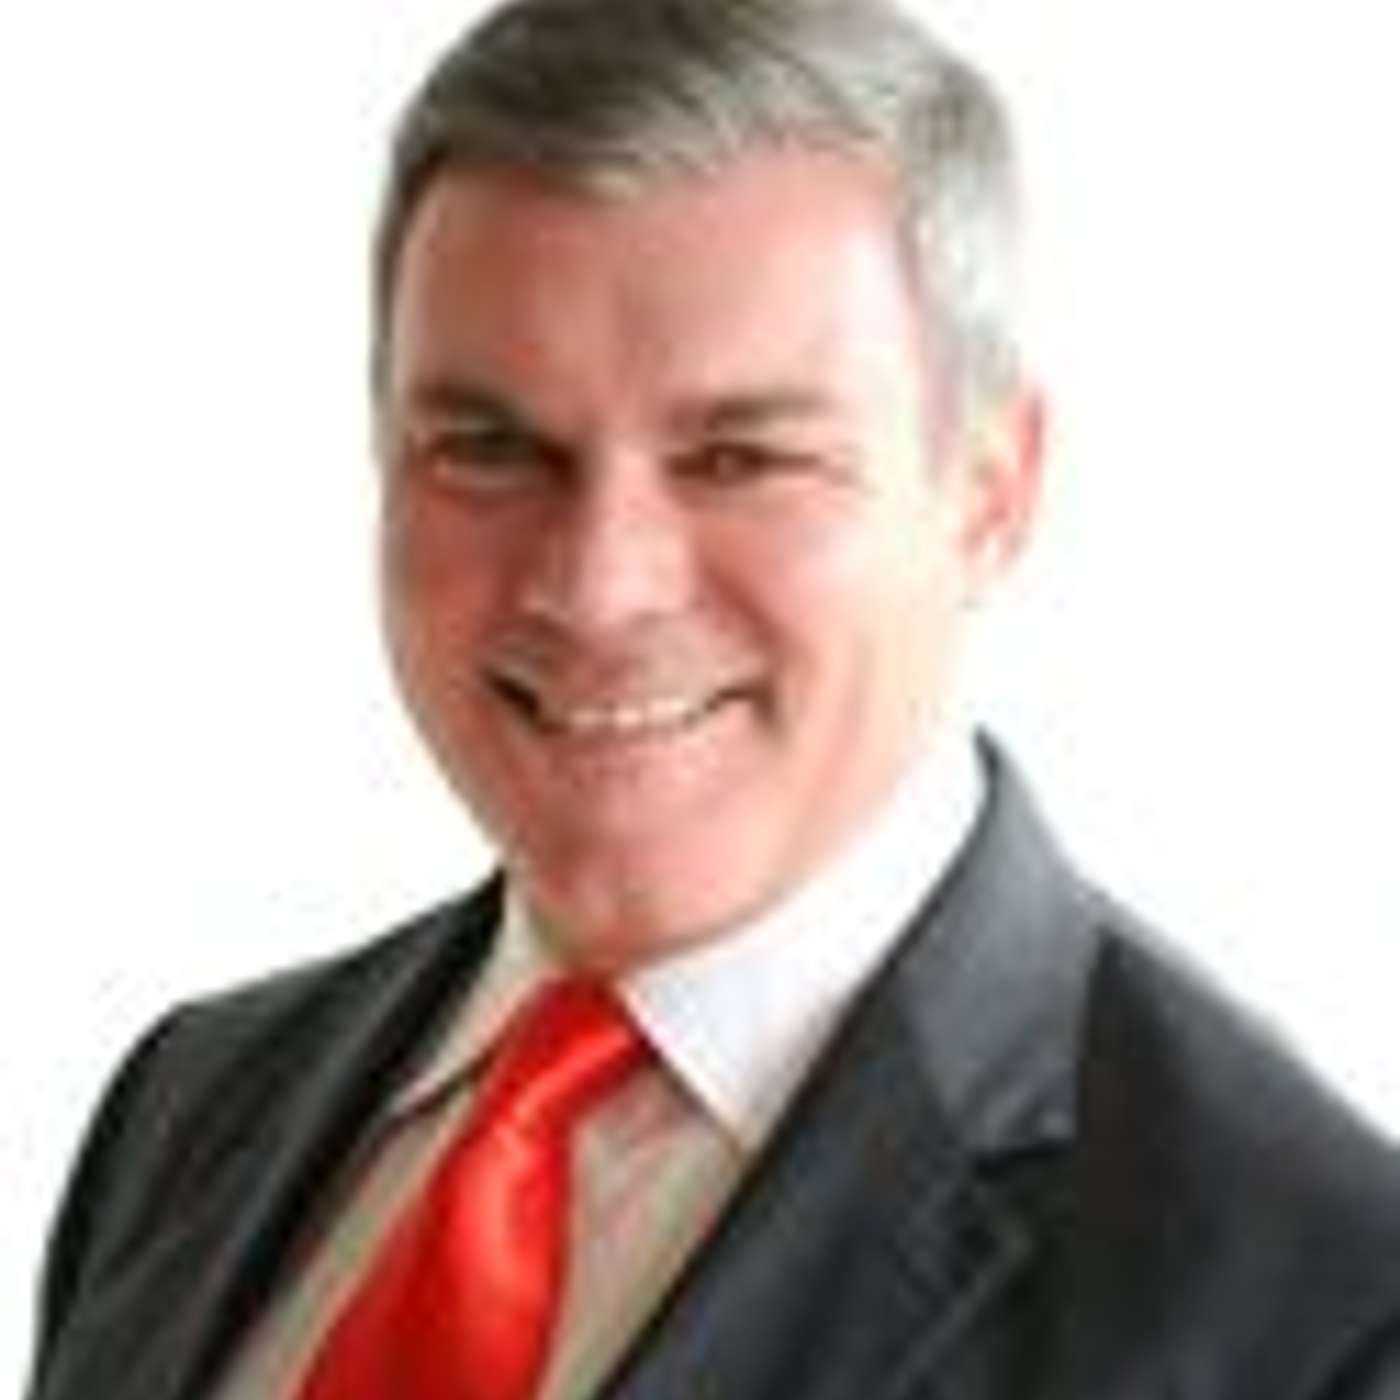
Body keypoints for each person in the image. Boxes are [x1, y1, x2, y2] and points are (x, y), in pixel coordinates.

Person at [26, 0, 1400, 1395]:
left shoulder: (1323, 1318)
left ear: (991, 492)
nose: (597, 587)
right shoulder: (192, 1106)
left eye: (740, 459)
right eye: (490, 448)